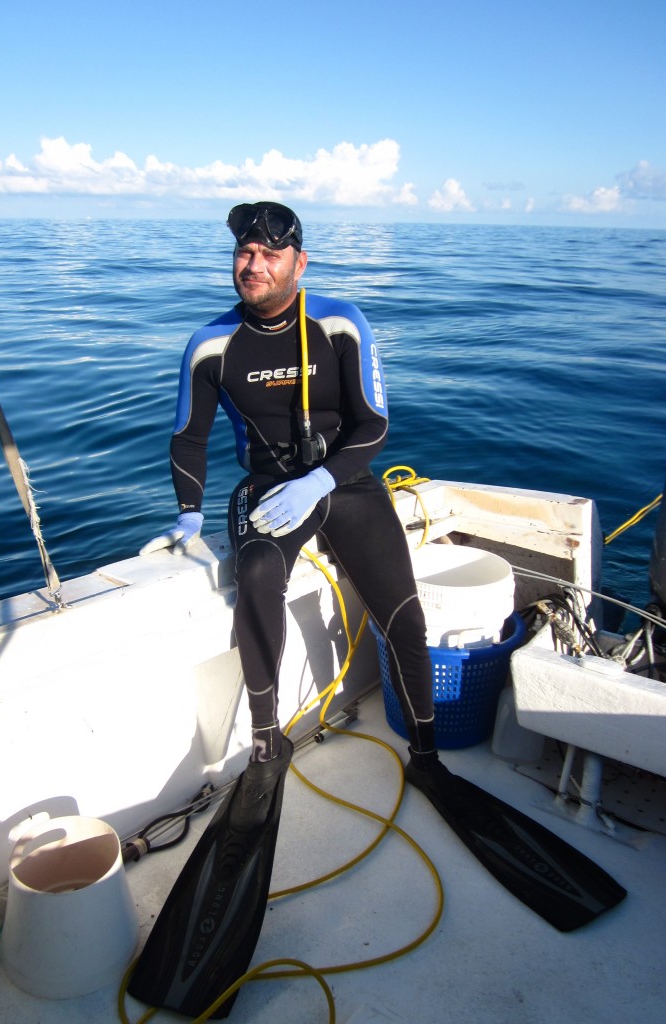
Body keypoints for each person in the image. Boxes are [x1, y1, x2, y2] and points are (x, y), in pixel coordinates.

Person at [141, 200, 438, 776]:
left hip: (345, 481)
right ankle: (266, 742)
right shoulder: (211, 346)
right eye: (245, 252)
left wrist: (324, 480)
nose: (254, 264)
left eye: (270, 254)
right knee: (255, 575)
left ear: (299, 263)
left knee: (404, 615)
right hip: (271, 489)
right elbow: (187, 438)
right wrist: (189, 514)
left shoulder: (339, 323)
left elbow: (374, 425)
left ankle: (426, 754)